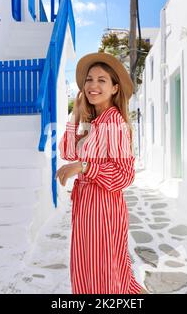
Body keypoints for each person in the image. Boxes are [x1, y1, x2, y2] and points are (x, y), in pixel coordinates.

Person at [55, 52, 148, 294]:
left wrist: (85, 166)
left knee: (105, 273)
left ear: (115, 88)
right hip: (85, 205)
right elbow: (67, 151)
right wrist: (76, 112)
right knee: (87, 268)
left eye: (101, 80)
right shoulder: (93, 120)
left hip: (104, 207)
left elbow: (125, 175)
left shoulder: (114, 122)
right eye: (89, 80)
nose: (92, 85)